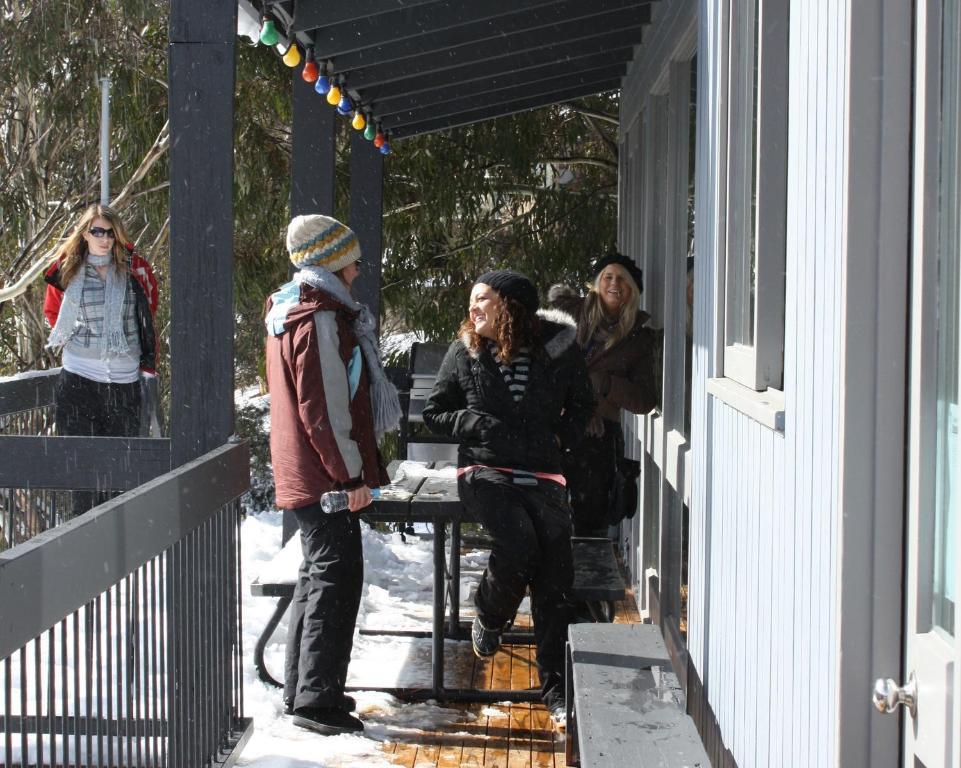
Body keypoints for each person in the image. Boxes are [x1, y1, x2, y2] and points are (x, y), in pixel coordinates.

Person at [422, 269, 594, 729]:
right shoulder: (465, 351)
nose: (473, 308)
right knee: (519, 542)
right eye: (472, 301)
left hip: (542, 474)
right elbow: (434, 412)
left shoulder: (559, 350)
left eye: (482, 300)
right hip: (485, 471)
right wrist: (475, 425)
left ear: (510, 306)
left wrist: (560, 439)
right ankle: (490, 615)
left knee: (555, 573)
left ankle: (556, 690)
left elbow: (583, 406)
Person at [264, 214, 400, 736]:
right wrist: (349, 478)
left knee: (320, 576)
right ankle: (315, 702)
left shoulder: (294, 309)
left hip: (310, 471)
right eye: (352, 257)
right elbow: (324, 406)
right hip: (325, 478)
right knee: (335, 579)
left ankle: (307, 691)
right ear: (331, 259)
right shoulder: (318, 317)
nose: (359, 267)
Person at [44, 203, 159, 516]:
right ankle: (83, 554)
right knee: (81, 474)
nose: (104, 238)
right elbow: (53, 313)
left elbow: (149, 309)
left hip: (123, 384)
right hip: (78, 382)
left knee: (118, 478)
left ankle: (116, 556)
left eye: (110, 232)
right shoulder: (66, 269)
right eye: (97, 231)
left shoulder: (134, 269)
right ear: (85, 233)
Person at [550, 252, 657, 537]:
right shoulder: (567, 314)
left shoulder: (640, 339)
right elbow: (542, 365)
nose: (614, 283)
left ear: (632, 290)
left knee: (590, 527)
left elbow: (645, 400)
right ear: (597, 283)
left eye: (622, 278)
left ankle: (587, 576)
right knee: (546, 519)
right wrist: (572, 406)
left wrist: (604, 383)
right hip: (554, 428)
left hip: (598, 442)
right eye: (607, 276)